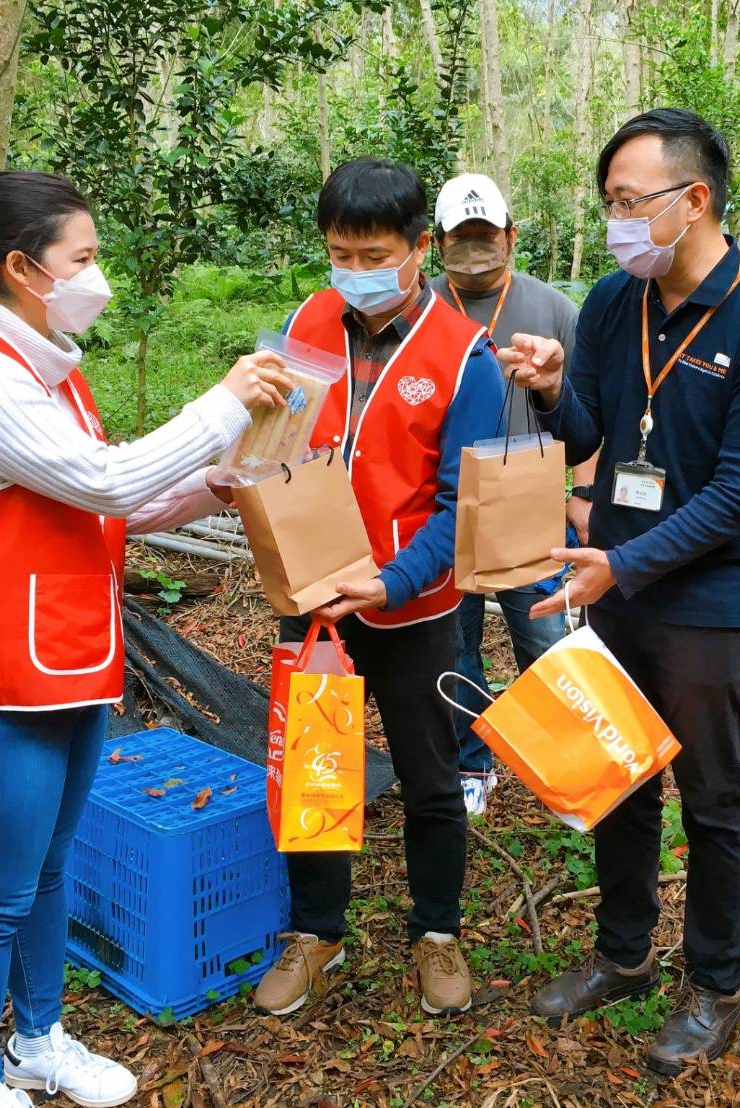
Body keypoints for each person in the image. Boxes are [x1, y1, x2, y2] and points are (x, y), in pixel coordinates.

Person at [0, 171, 291, 1108]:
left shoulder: (43, 368)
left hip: (61, 662)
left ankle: (39, 1041)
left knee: (48, 872)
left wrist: (216, 485)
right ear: (25, 268)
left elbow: (114, 504)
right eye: (85, 257)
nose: (96, 274)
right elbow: (107, 482)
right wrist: (225, 402)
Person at [499, 109, 740, 1073]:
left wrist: (623, 562)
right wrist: (553, 388)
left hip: (703, 600)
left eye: (629, 202)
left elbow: (739, 492)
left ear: (694, 199)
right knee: (617, 773)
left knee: (710, 795)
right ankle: (623, 954)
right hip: (617, 579)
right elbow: (590, 438)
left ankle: (715, 982)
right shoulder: (610, 300)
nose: (616, 222)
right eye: (608, 205)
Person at [251, 158, 504, 1020]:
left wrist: (393, 580)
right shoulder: (305, 321)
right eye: (337, 251)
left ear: (418, 248)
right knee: (316, 767)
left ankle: (436, 933)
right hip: (312, 600)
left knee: (432, 779)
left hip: (413, 608)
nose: (352, 270)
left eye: (371, 253)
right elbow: (276, 439)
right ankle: (316, 931)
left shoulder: (464, 353)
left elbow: (458, 506)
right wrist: (246, 479)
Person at [428, 172, 596, 817]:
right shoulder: (422, 306)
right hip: (449, 502)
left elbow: (588, 413)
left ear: (510, 235)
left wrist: (582, 494)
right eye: (460, 239)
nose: (475, 250)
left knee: (545, 634)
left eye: (486, 236)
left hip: (532, 502)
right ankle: (474, 763)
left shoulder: (553, 309)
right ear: (438, 243)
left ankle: (569, 764)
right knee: (456, 641)